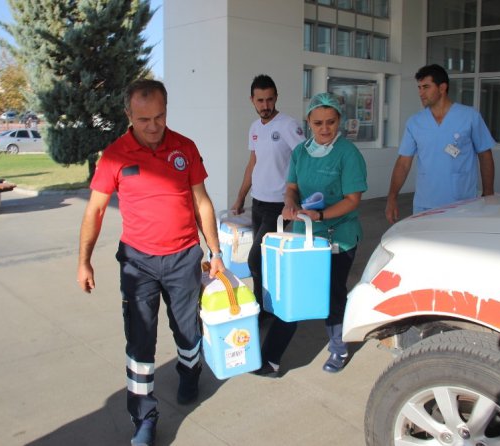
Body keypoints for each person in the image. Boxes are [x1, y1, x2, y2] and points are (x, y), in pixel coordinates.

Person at [76, 79, 225, 446]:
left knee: (188, 332)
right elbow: (94, 210)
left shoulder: (184, 148)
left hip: (183, 258)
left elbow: (202, 202)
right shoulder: (114, 155)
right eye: (144, 120)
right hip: (137, 264)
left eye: (160, 117)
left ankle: (190, 372)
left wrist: (216, 252)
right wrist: (84, 261)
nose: (153, 126)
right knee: (140, 343)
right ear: (128, 115)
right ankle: (144, 417)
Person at [252, 92, 367, 377]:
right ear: (309, 122)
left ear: (339, 121)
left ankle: (338, 348)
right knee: (295, 291)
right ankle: (271, 358)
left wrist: (321, 214)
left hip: (339, 235)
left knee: (332, 293)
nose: (324, 128)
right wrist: (290, 203)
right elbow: (291, 187)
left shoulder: (348, 154)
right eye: (318, 123)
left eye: (330, 122)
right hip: (308, 236)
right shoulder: (300, 152)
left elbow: (352, 199)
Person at [386, 64, 495, 223]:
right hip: (425, 205)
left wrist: (489, 193)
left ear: (442, 87)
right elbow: (403, 163)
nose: (421, 93)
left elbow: (485, 155)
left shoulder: (469, 117)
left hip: (462, 204)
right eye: (419, 88)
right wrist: (392, 197)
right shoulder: (415, 122)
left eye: (426, 87)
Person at [230, 74, 304, 310]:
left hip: (279, 206)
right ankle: (266, 304)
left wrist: (294, 198)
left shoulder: (288, 125)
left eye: (269, 100)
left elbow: (304, 160)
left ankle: (263, 308)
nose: (265, 106)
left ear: (276, 98)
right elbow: (253, 164)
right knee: (264, 258)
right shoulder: (254, 128)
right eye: (260, 100)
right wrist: (241, 197)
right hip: (258, 203)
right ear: (252, 100)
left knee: (255, 258)